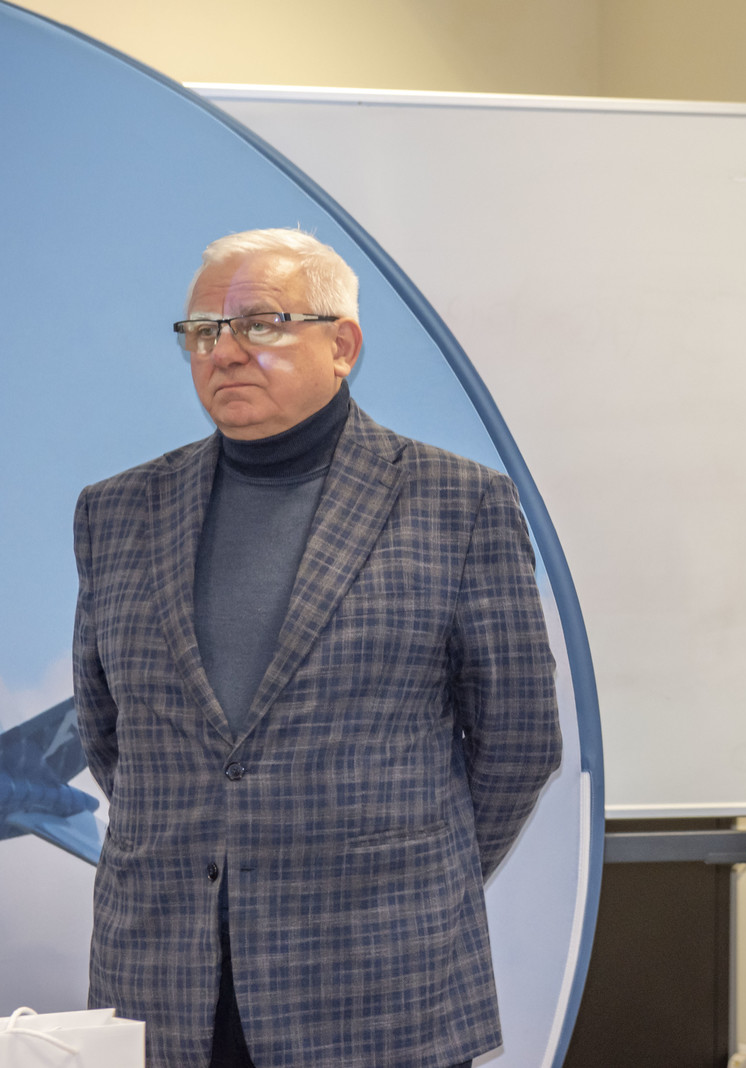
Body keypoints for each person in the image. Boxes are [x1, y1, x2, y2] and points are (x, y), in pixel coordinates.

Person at [72, 229, 561, 1068]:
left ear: (343, 346)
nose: (225, 351)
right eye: (202, 331)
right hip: (163, 987)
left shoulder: (457, 503)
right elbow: (108, 733)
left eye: (260, 324)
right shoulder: (116, 512)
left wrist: (411, 876)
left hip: (379, 986)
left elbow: (518, 742)